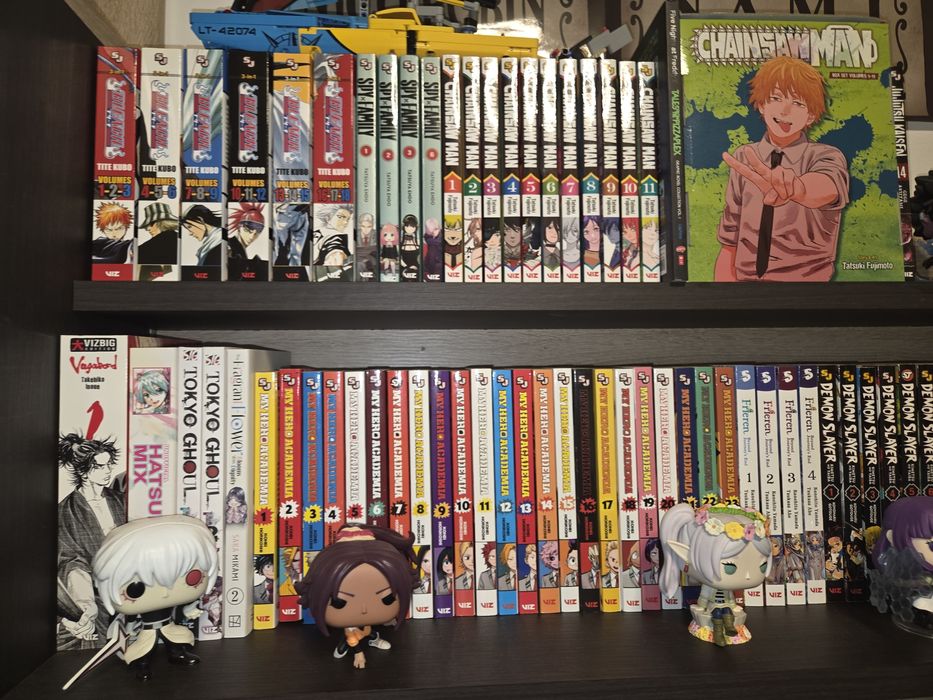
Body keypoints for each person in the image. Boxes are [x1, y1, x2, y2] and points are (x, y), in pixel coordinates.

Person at [715, 55, 849, 282]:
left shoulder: (826, 155)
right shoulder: (744, 156)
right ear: (761, 104)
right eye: (776, 98)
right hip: (744, 286)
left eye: (798, 103)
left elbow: (827, 186)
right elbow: (730, 239)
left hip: (805, 287)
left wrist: (796, 188)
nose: (786, 111)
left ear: (811, 115)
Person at [91, 516, 217, 681]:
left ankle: (176, 654)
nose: (165, 593)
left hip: (168, 623)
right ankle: (142, 665)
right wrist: (129, 628)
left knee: (176, 640)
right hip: (147, 628)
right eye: (135, 590)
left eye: (192, 578)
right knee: (144, 649)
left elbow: (183, 607)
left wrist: (189, 609)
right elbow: (129, 619)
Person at [295, 525, 417, 670]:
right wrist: (359, 655)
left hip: (366, 630)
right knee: (351, 639)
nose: (364, 609)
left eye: (387, 598)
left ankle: (373, 640)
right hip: (353, 634)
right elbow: (354, 641)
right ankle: (344, 646)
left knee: (369, 633)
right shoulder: (349, 625)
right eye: (339, 602)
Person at [660, 503, 772, 647]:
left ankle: (730, 629)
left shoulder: (727, 589)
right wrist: (701, 606)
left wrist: (733, 605)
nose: (748, 576)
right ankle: (718, 634)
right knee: (718, 615)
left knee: (727, 612)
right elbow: (704, 597)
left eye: (762, 566)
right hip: (712, 606)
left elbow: (730, 598)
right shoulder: (709, 587)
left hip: (725, 605)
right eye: (729, 567)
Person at [57, 428, 125, 651]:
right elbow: (71, 562)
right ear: (83, 472)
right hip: (96, 596)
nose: (107, 471)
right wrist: (86, 602)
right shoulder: (66, 512)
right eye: (99, 466)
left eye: (108, 465)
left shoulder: (121, 499)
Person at [136, 201, 179, 281]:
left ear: (160, 222)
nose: (148, 229)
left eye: (151, 224)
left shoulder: (144, 249)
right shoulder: (181, 242)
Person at [227, 202, 267, 280]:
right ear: (239, 227)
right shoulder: (229, 246)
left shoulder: (238, 249)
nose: (252, 236)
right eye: (249, 229)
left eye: (258, 231)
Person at [273, 203, 311, 277]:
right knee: (277, 250)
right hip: (284, 212)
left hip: (300, 212)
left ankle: (295, 275)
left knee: (296, 255)